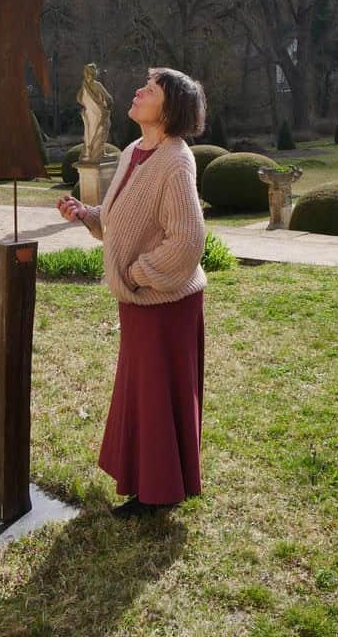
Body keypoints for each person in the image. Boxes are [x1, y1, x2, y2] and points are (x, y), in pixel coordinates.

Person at [57, 67, 207, 518]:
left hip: (166, 304)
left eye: (151, 89)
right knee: (144, 393)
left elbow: (187, 240)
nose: (138, 91)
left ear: (169, 108)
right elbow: (121, 218)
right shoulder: (133, 152)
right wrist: (88, 214)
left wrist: (138, 274)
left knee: (158, 395)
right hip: (140, 301)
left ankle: (158, 492)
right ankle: (150, 485)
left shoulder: (176, 160)